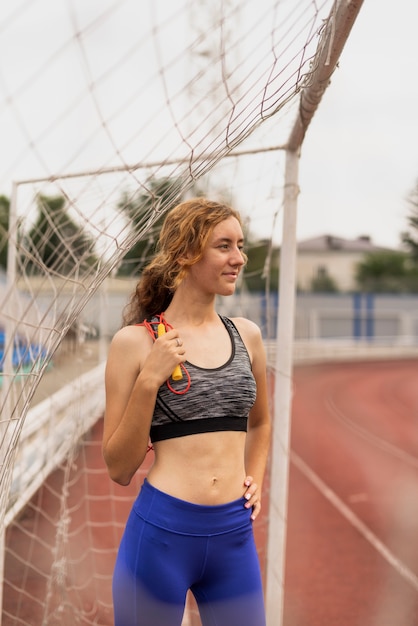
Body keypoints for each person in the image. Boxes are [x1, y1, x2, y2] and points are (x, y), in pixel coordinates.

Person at [102, 197, 271, 626]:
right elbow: (119, 467)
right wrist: (148, 381)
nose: (239, 258)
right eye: (224, 246)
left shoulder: (247, 336)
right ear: (184, 254)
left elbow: (262, 420)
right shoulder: (134, 344)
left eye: (240, 244)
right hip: (161, 536)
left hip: (234, 535)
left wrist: (256, 475)